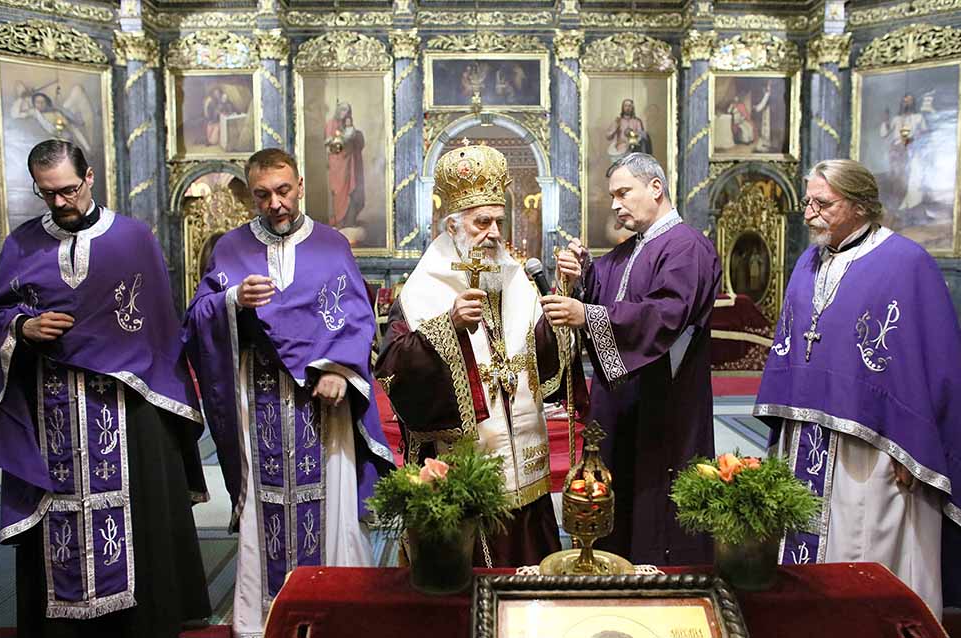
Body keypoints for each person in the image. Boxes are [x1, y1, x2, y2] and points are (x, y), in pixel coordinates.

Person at [0, 140, 209, 636]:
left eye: (67, 190)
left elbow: (159, 329)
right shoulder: (21, 244)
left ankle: (139, 622)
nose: (60, 203)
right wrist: (22, 327)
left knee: (138, 522)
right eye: (47, 194)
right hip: (51, 407)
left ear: (89, 179)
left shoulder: (134, 238)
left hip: (127, 408)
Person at [182, 148, 394, 637]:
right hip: (259, 400)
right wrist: (232, 300)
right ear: (250, 194)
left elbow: (357, 319)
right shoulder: (231, 248)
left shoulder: (331, 244)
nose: (275, 203)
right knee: (265, 503)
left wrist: (341, 368)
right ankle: (264, 616)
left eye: (283, 191)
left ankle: (337, 606)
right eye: (262, 195)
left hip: (323, 404)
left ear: (299, 184)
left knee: (330, 500)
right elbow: (196, 318)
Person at [753, 159, 961, 618]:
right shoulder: (808, 261)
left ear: (860, 204)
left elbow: (937, 364)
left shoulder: (908, 263)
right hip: (806, 437)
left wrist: (919, 452)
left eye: (821, 203)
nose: (808, 213)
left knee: (864, 547)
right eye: (807, 202)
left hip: (875, 449)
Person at [375, 143, 586, 567]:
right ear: (452, 225)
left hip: (526, 464)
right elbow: (393, 369)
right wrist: (448, 326)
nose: (493, 232)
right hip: (464, 467)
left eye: (498, 221)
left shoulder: (515, 278)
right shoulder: (422, 289)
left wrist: (564, 295)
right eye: (481, 222)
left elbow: (541, 360)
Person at [544, 152, 721, 566]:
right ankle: (611, 566)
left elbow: (665, 315)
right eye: (612, 195)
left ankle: (661, 580)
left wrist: (586, 314)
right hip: (623, 401)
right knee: (618, 492)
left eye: (624, 193)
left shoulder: (686, 247)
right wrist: (581, 272)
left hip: (662, 402)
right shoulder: (632, 249)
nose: (615, 205)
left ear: (655, 188)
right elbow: (602, 285)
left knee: (655, 498)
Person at [879, 93, 930, 210]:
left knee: (910, 175)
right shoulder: (896, 119)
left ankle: (910, 204)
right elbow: (884, 134)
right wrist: (885, 121)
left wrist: (915, 138)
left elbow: (925, 132)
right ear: (902, 103)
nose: (907, 103)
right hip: (896, 150)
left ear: (913, 103)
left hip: (911, 149)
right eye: (905, 101)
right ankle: (896, 204)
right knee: (896, 176)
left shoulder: (918, 117)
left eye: (909, 101)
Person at [325, 102, 366, 229]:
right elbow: (329, 144)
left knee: (351, 191)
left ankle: (349, 221)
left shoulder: (349, 126)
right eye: (342, 110)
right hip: (337, 164)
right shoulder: (331, 124)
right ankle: (338, 220)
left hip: (349, 165)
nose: (344, 113)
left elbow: (357, 142)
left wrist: (352, 136)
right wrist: (340, 139)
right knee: (338, 191)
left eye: (347, 110)